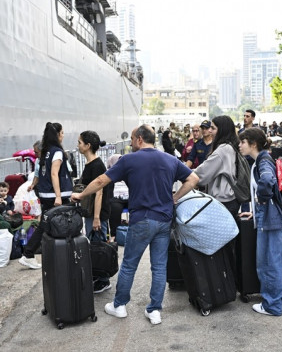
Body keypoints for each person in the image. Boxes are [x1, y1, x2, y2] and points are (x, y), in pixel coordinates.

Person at [72, 125, 199, 325]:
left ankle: (120, 305)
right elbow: (193, 178)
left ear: (140, 139)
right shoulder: (169, 159)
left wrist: (80, 194)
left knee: (130, 264)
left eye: (131, 139)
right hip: (164, 219)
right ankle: (155, 310)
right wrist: (175, 197)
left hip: (141, 219)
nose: (130, 143)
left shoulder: (129, 160)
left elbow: (100, 181)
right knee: (159, 266)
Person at [238, 128, 282, 316]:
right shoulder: (265, 159)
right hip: (274, 217)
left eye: (243, 142)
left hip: (269, 218)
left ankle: (272, 305)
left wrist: (261, 200)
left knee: (268, 263)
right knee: (279, 261)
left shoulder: (262, 162)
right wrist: (255, 213)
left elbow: (267, 181)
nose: (240, 145)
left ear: (253, 144)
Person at [19, 122, 73, 269]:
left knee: (47, 223)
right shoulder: (56, 151)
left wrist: (34, 184)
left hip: (45, 193)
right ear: (57, 135)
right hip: (54, 194)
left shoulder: (45, 151)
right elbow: (54, 173)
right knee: (56, 223)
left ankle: (46, 252)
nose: (63, 135)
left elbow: (39, 172)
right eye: (62, 133)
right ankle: (29, 253)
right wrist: (58, 196)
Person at [77, 130, 114, 293]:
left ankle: (104, 280)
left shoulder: (97, 165)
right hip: (91, 211)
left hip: (97, 213)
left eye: (79, 142)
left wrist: (97, 217)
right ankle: (97, 275)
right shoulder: (90, 164)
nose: (78, 145)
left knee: (99, 245)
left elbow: (99, 192)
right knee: (93, 244)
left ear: (88, 146)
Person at [193, 116, 240, 220]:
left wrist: (183, 174)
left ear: (222, 130)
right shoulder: (230, 146)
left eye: (213, 128)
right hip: (231, 200)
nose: (209, 131)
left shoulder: (222, 150)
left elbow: (202, 173)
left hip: (223, 202)